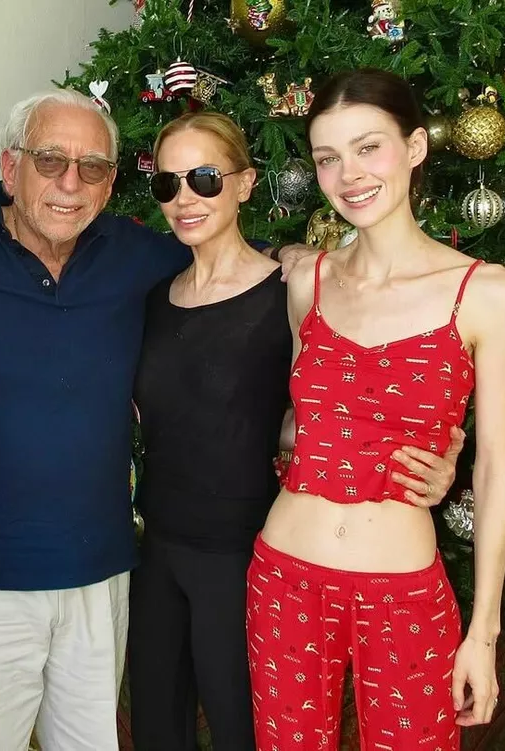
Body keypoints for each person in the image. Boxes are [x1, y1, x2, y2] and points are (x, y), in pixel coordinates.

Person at [0, 89, 459, 751]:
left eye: (93, 167)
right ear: (9, 167)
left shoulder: (141, 259)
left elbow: (259, 307)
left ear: (112, 183)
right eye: (49, 160)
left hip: (106, 573)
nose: (70, 183)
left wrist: (419, 447)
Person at [129, 112, 464, 751]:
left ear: (245, 183)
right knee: (157, 731)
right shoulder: (153, 299)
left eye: (204, 178)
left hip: (244, 553)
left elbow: (340, 409)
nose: (185, 198)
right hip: (157, 552)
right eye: (167, 184)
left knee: (243, 732)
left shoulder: (291, 291)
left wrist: (430, 456)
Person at [247, 68, 505, 751]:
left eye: (368, 147)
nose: (349, 175)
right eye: (328, 157)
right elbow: (303, 425)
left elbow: (496, 467)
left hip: (403, 592)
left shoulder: (485, 292)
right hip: (285, 578)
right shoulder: (309, 281)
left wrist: (483, 633)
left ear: (416, 146)